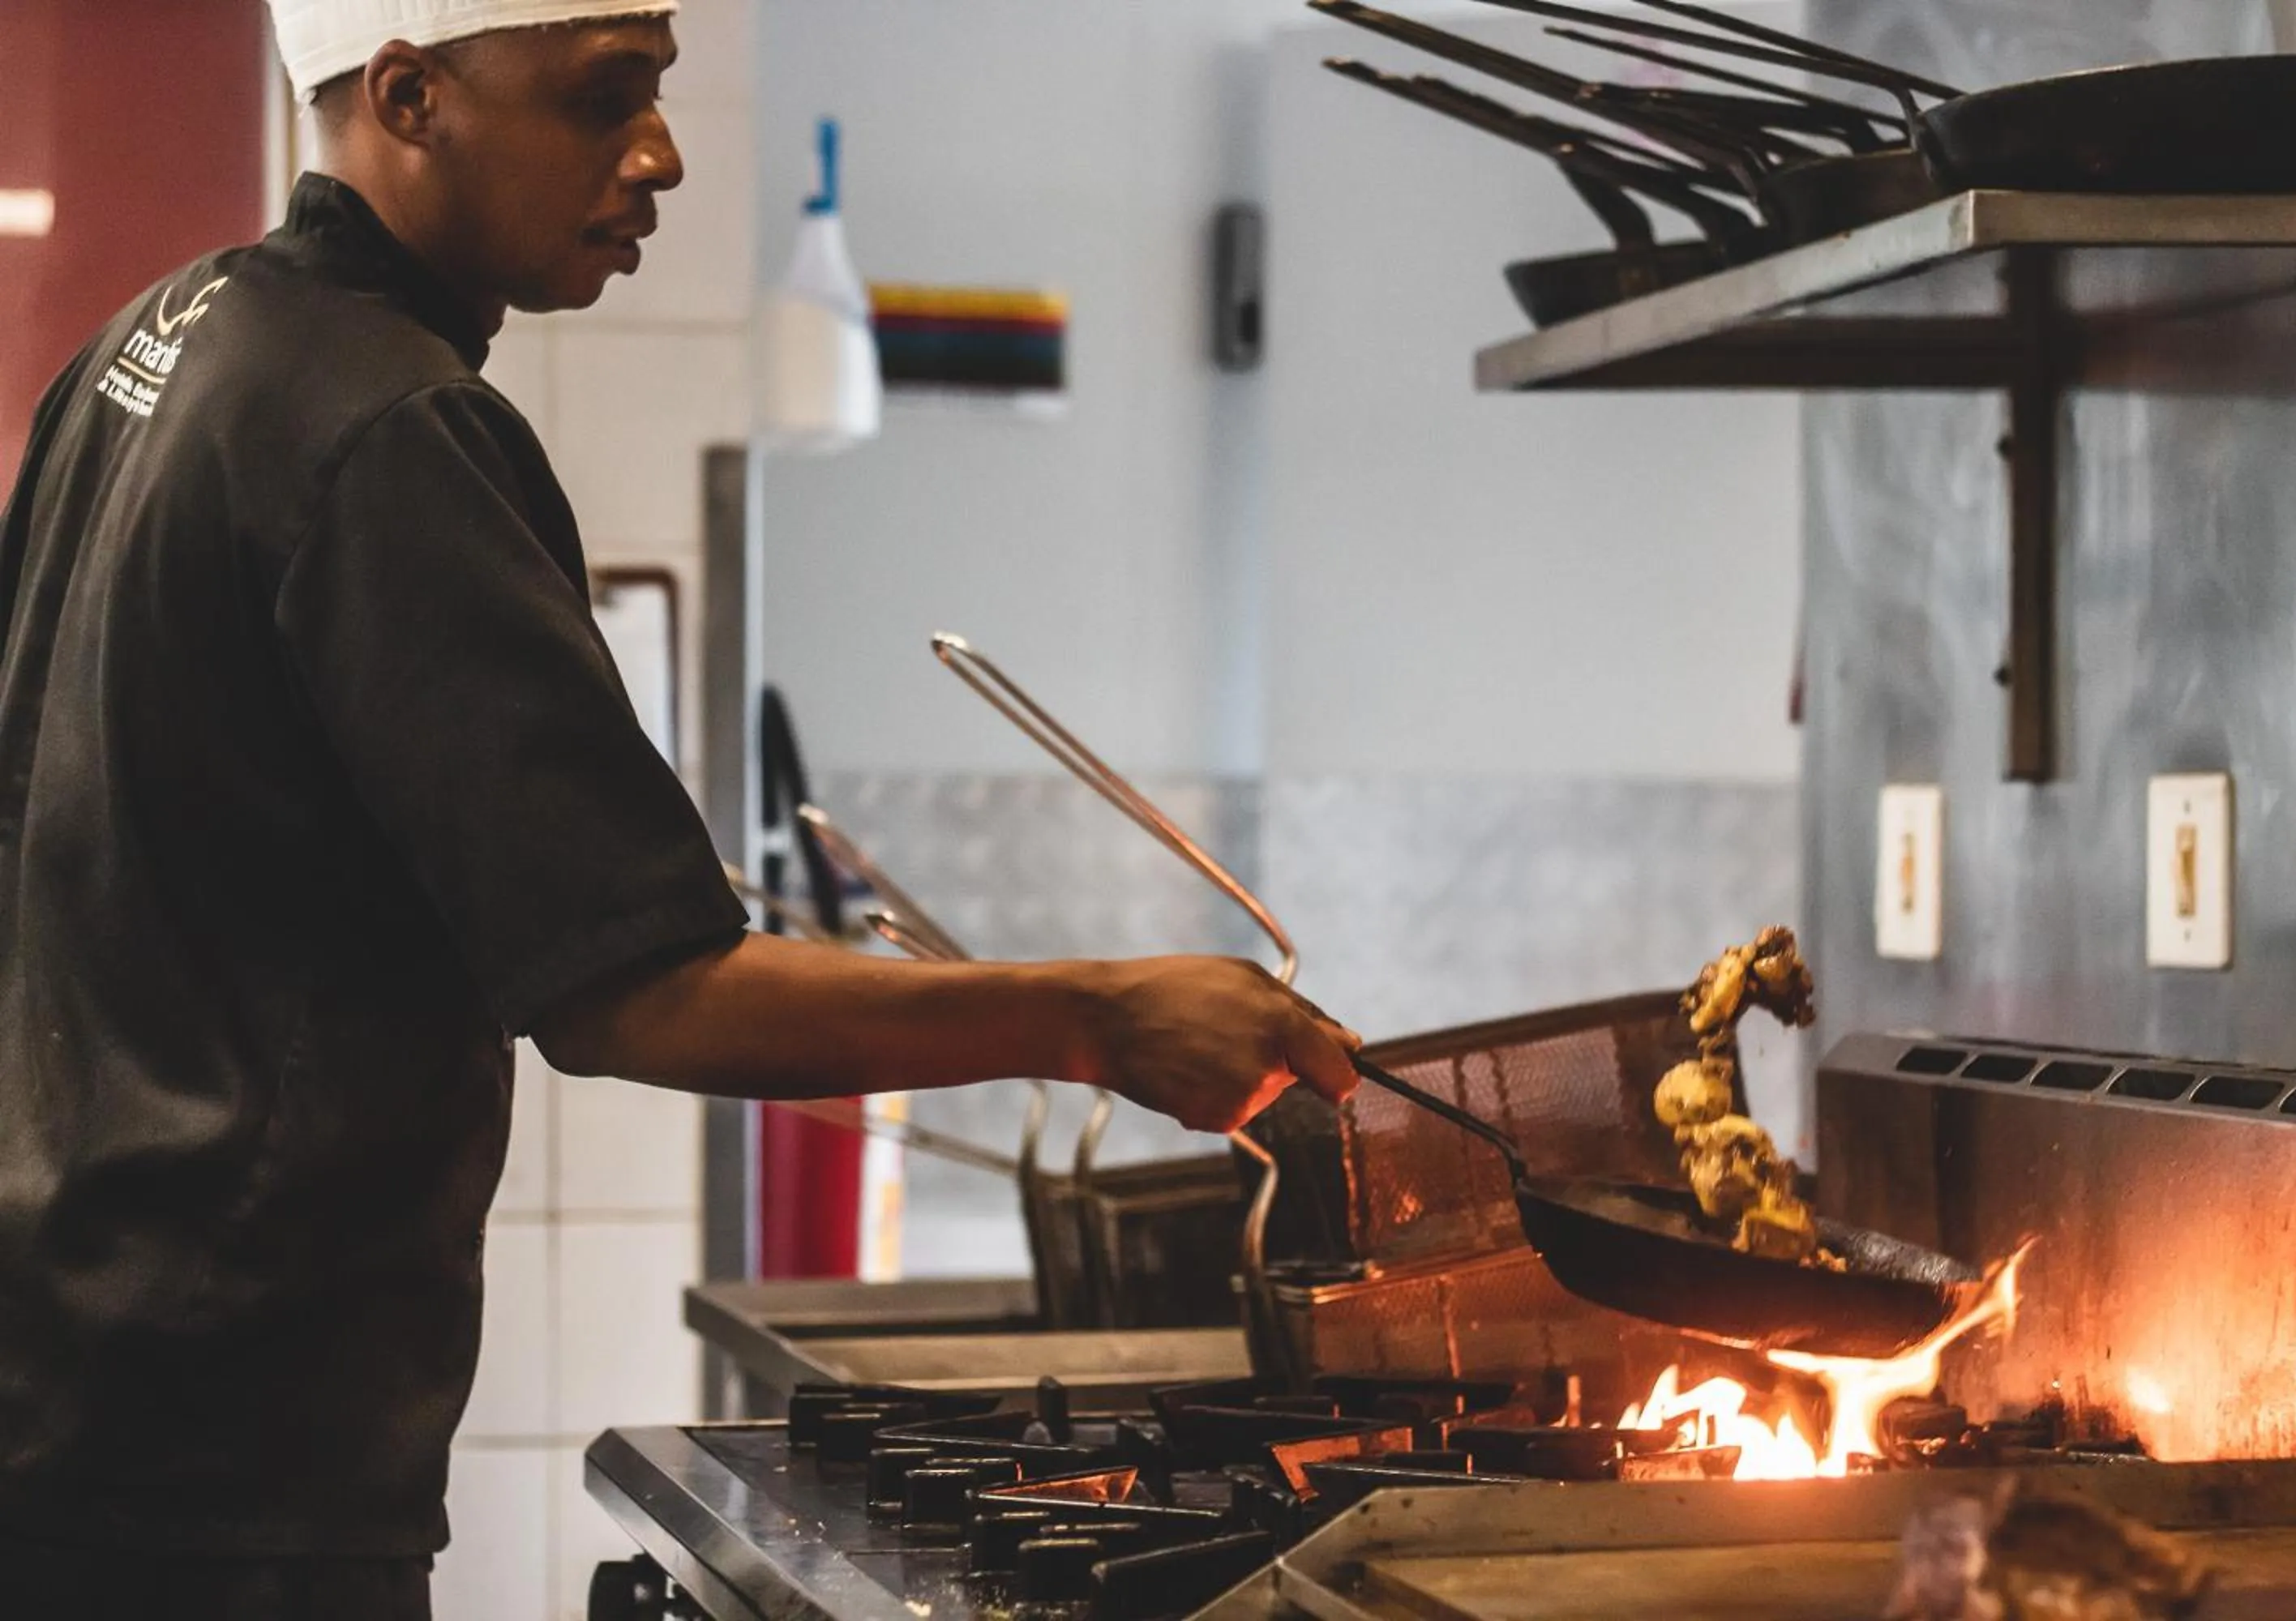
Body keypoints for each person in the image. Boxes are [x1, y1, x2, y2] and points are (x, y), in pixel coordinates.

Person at [0, 2, 1362, 1615]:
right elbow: (634, 991)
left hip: (69, 1380)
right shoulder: (396, 427)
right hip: (215, 1460)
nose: (661, 155)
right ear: (410, 95)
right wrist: (1102, 1016)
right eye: (607, 100)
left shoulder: (155, 344)